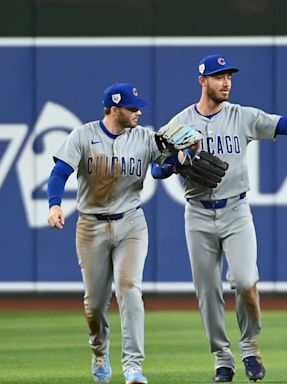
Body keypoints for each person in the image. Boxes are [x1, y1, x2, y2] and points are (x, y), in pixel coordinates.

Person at [151, 54, 287, 383]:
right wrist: (176, 163)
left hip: (236, 211)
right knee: (207, 292)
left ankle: (249, 346)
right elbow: (155, 168)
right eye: (219, 77)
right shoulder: (179, 123)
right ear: (202, 81)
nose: (226, 82)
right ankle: (222, 358)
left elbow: (284, 123)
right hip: (198, 215)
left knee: (246, 283)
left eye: (229, 76)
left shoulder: (241, 116)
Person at [47, 83, 192, 384]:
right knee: (95, 304)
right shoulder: (83, 136)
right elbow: (60, 171)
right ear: (114, 110)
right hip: (91, 226)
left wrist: (178, 161)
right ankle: (99, 351)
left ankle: (133, 366)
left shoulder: (144, 137)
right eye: (132, 107)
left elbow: (158, 170)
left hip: (131, 223)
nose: (138, 111)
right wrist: (55, 205)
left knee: (129, 289)